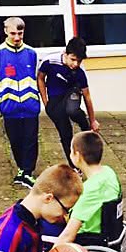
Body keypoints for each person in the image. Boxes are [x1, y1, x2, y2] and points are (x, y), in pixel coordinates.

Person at [0, 17, 39, 189]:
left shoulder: (32, 53)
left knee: (31, 140)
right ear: (5, 32)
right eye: (13, 33)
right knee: (15, 140)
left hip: (30, 106)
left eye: (20, 33)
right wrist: (1, 104)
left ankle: (27, 172)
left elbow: (37, 77)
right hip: (10, 108)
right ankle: (21, 170)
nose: (17, 37)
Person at [37, 37, 99, 168]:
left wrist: (92, 121)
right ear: (65, 54)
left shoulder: (80, 71)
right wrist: (45, 101)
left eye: (79, 61)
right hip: (55, 99)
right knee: (65, 134)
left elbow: (87, 96)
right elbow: (40, 78)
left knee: (72, 110)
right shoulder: (50, 61)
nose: (76, 64)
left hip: (72, 92)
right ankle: (74, 167)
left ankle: (84, 125)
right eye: (73, 59)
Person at [56, 131, 120, 245]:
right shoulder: (108, 172)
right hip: (107, 229)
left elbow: (68, 235)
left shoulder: (90, 190)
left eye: (71, 151)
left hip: (88, 237)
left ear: (78, 156)